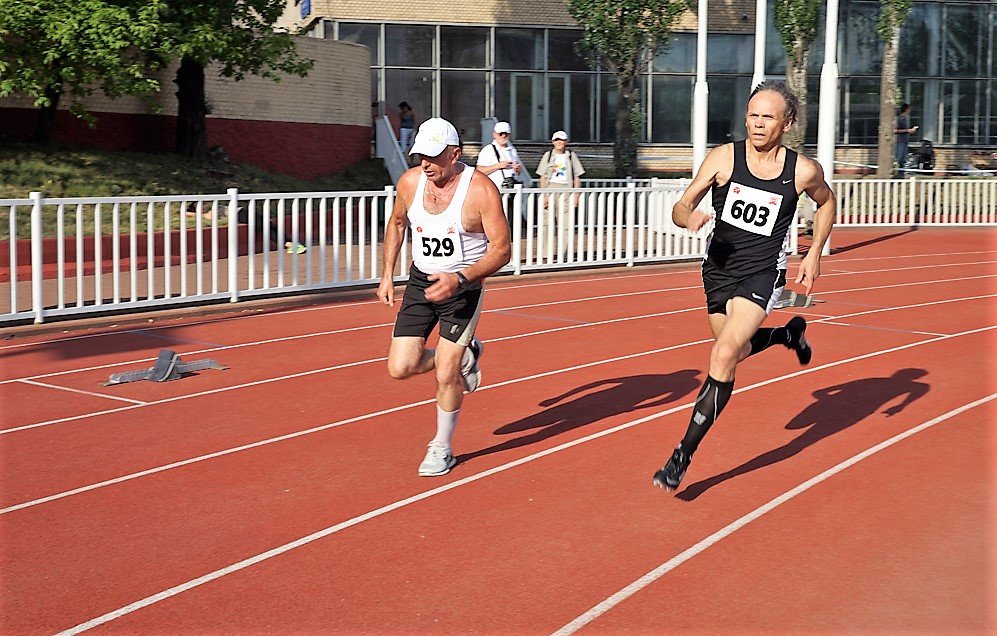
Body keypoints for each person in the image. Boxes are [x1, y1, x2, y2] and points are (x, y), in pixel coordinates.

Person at [652, 80, 836, 492]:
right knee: (733, 350)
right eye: (752, 114)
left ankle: (682, 455)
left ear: (786, 123)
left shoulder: (802, 170)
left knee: (722, 354)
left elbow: (827, 202)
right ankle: (789, 334)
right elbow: (681, 206)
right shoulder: (723, 158)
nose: (757, 123)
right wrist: (689, 218)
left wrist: (814, 254)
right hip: (717, 271)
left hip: (762, 274)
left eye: (767, 116)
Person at [377, 117, 511, 476]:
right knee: (400, 368)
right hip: (421, 282)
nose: (425, 163)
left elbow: (502, 250)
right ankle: (468, 353)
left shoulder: (480, 191)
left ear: (455, 154)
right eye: (421, 154)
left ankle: (442, 446)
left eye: (434, 156)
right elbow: (397, 223)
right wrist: (387, 275)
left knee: (446, 373)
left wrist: (461, 277)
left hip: (464, 286)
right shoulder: (409, 182)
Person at [536, 130, 586, 259]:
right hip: (550, 190)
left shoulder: (571, 156)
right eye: (556, 140)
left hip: (566, 192)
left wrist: (576, 195)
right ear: (553, 142)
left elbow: (577, 176)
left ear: (566, 142)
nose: (559, 142)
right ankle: (546, 254)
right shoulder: (547, 156)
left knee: (566, 225)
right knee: (547, 224)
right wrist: (544, 195)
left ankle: (564, 254)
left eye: (561, 140)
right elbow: (542, 176)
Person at [475, 121, 530, 226]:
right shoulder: (488, 150)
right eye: (501, 134)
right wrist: (499, 166)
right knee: (496, 223)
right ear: (494, 134)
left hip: (511, 193)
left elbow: (518, 172)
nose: (503, 136)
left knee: (511, 223)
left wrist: (517, 170)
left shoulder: (512, 150)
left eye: (506, 134)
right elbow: (479, 171)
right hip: (495, 193)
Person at [894, 103, 918, 174]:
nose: (910, 110)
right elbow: (895, 130)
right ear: (906, 109)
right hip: (899, 141)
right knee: (899, 158)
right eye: (909, 109)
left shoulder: (906, 118)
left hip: (904, 141)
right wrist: (907, 130)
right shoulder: (899, 118)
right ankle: (898, 173)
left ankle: (901, 173)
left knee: (903, 159)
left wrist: (910, 131)